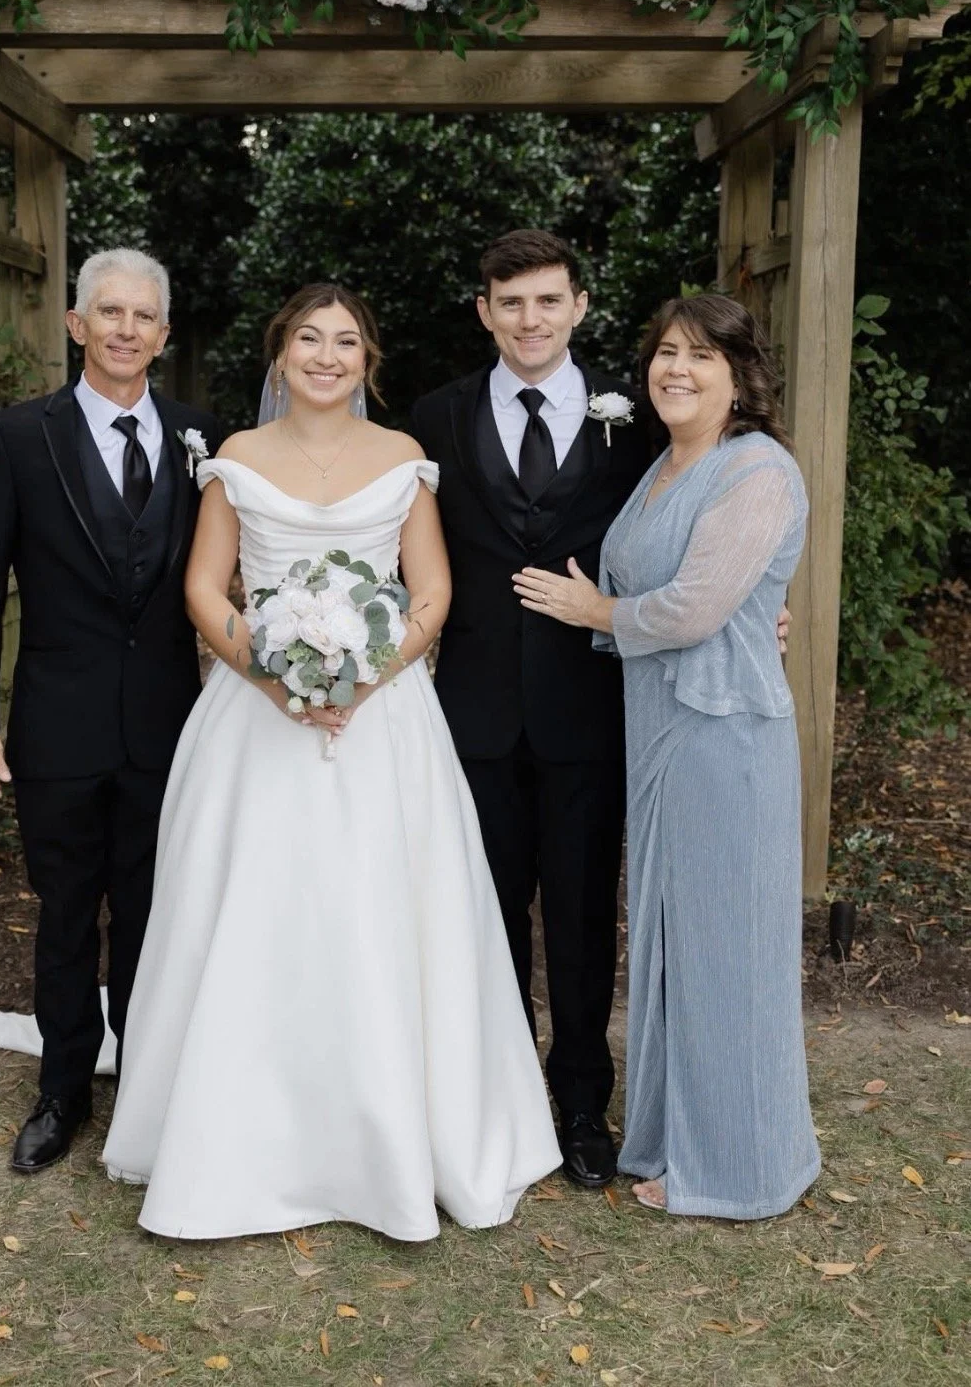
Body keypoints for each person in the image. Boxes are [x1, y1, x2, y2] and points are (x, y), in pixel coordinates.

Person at [101, 283, 560, 1240]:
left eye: (346, 340)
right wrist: (273, 677)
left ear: (367, 360)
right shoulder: (235, 458)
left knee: (378, 910)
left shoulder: (403, 460)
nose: (326, 355)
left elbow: (430, 591)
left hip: (384, 720)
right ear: (281, 356)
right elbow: (203, 583)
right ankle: (240, 1135)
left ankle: (392, 1132)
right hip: (256, 716)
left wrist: (361, 679)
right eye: (308, 338)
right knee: (258, 911)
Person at [514, 293, 820, 1219]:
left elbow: (690, 608)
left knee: (727, 950)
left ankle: (740, 1167)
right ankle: (672, 1140)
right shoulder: (659, 468)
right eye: (665, 354)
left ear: (741, 376)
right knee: (670, 946)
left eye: (701, 356)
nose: (676, 370)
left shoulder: (756, 469)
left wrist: (593, 613)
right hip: (656, 733)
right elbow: (699, 589)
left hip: (725, 738)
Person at [0, 248, 220, 1175]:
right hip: (56, 724)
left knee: (152, 910)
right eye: (109, 313)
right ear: (77, 325)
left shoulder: (199, 434)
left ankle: (144, 1084)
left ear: (164, 334)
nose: (126, 329)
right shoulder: (19, 436)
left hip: (166, 723)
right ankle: (62, 1088)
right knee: (66, 911)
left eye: (144, 316)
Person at [411, 231, 650, 1189]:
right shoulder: (434, 416)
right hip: (473, 716)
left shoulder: (632, 424)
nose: (530, 320)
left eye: (548, 301)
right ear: (484, 311)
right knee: (488, 915)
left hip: (589, 710)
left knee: (587, 918)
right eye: (510, 303)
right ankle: (504, 1100)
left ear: (580, 306)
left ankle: (583, 1102)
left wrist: (757, 607)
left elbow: (681, 534)